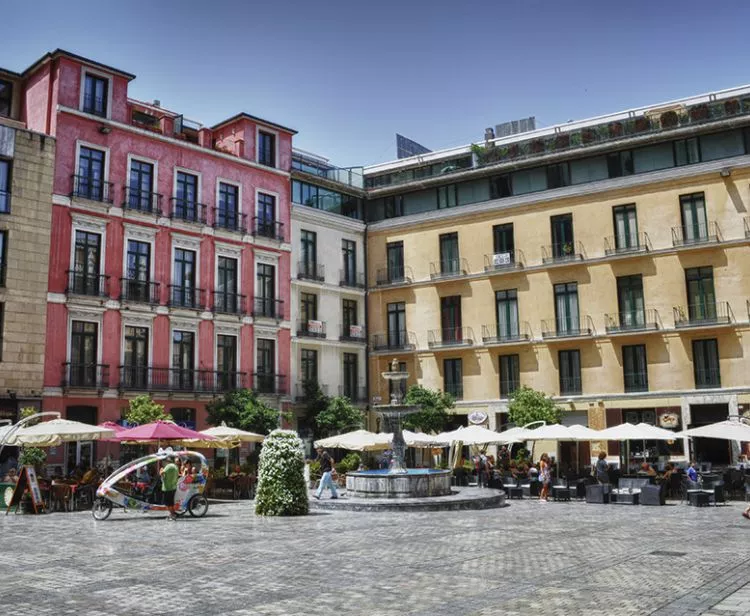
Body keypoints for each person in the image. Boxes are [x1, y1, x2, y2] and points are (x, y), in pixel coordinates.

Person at [159, 455, 180, 521]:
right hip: (173, 487)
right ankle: (172, 514)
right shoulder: (175, 467)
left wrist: (161, 470)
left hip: (167, 487)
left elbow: (161, 473)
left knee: (168, 503)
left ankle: (173, 515)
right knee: (171, 502)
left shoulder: (168, 466)